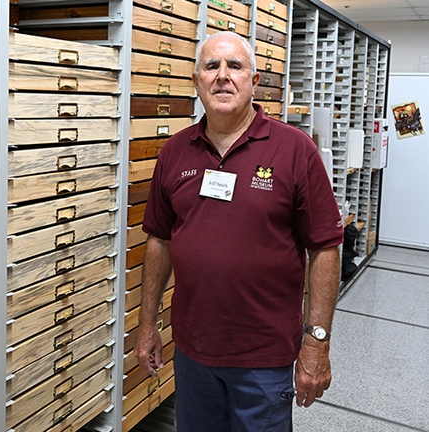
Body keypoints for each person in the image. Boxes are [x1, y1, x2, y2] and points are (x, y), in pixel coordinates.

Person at [134, 31, 343, 431]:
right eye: (211, 66)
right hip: (194, 351)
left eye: (235, 66)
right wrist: (147, 325)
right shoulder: (175, 152)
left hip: (264, 357)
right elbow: (159, 240)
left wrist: (317, 341)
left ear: (254, 80)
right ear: (196, 81)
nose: (223, 76)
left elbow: (326, 248)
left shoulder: (295, 150)